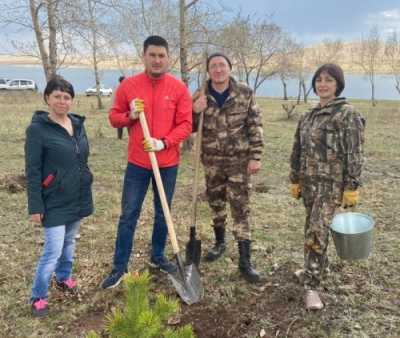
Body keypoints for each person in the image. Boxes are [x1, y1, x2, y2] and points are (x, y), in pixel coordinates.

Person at [101, 35, 192, 289]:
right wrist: (130, 114)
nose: (156, 60)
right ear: (144, 56)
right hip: (138, 163)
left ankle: (157, 256)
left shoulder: (178, 88)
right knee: (129, 213)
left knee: (163, 212)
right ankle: (119, 267)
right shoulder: (129, 86)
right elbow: (113, 118)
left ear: (167, 58)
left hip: (167, 162)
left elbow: (186, 124)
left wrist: (163, 142)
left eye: (161, 55)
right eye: (152, 55)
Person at [289, 63, 365, 310]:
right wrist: (295, 179)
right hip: (309, 185)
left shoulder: (347, 114)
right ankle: (318, 266)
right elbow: (297, 150)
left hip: (331, 187)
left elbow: (354, 153)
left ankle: (312, 286)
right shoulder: (308, 115)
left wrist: (352, 186)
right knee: (310, 228)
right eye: (319, 79)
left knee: (316, 233)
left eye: (329, 80)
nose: (323, 84)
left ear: (338, 85)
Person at [192, 53, 264, 283]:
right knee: (216, 204)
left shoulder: (244, 92)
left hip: (238, 162)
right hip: (212, 161)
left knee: (240, 207)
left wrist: (256, 156)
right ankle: (220, 243)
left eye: (222, 65)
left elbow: (255, 124)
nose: (218, 70)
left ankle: (245, 261)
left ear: (229, 68)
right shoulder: (200, 94)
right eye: (213, 66)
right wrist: (195, 110)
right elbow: (189, 125)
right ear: (208, 70)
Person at [25, 76, 94, 317]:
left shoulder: (77, 124)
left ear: (72, 100)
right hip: (53, 199)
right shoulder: (37, 130)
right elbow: (32, 170)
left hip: (76, 195)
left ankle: (63, 277)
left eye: (67, 97)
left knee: (69, 242)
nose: (62, 101)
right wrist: (35, 205)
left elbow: (81, 158)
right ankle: (39, 295)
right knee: (53, 250)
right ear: (47, 98)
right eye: (57, 96)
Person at [117, 75, 126, 140]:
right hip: (121, 108)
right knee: (120, 124)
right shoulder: (120, 88)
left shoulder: (118, 88)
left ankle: (120, 137)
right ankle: (119, 137)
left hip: (124, 108)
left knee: (128, 124)